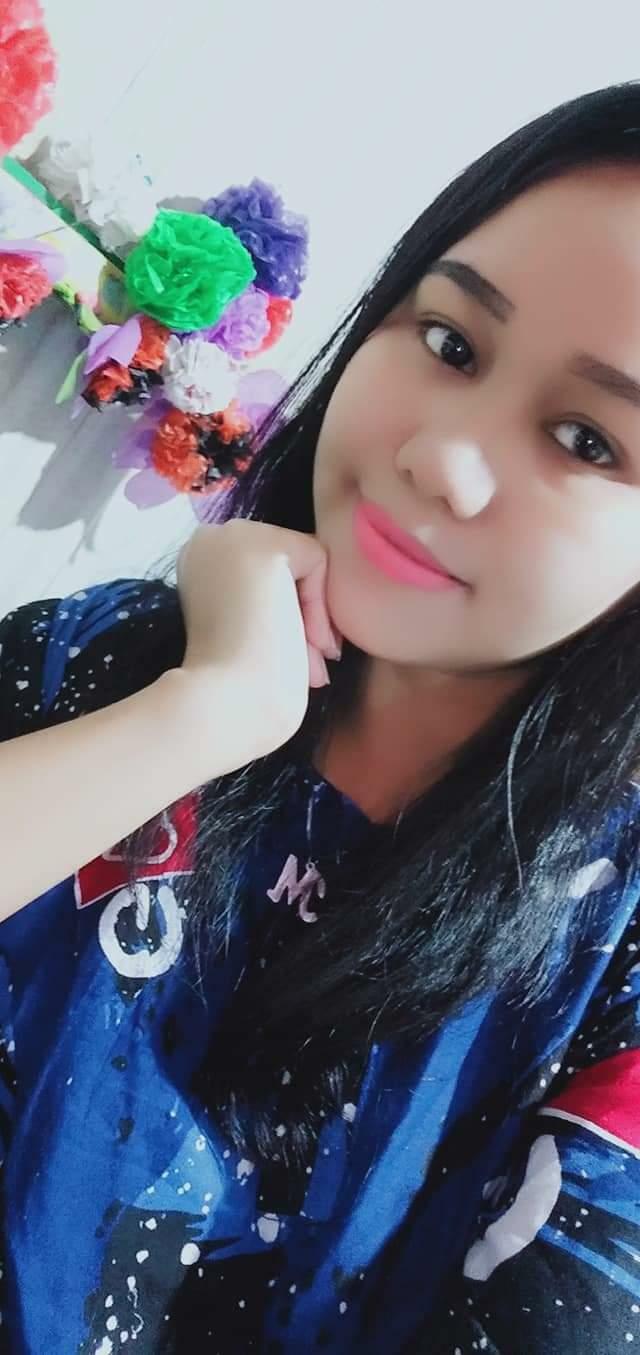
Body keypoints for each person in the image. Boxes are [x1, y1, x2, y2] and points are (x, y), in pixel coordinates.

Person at [1, 80, 640, 1355]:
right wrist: (193, 715)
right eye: (449, 341)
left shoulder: (613, 948)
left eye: (585, 439)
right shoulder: (88, 660)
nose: (439, 458)